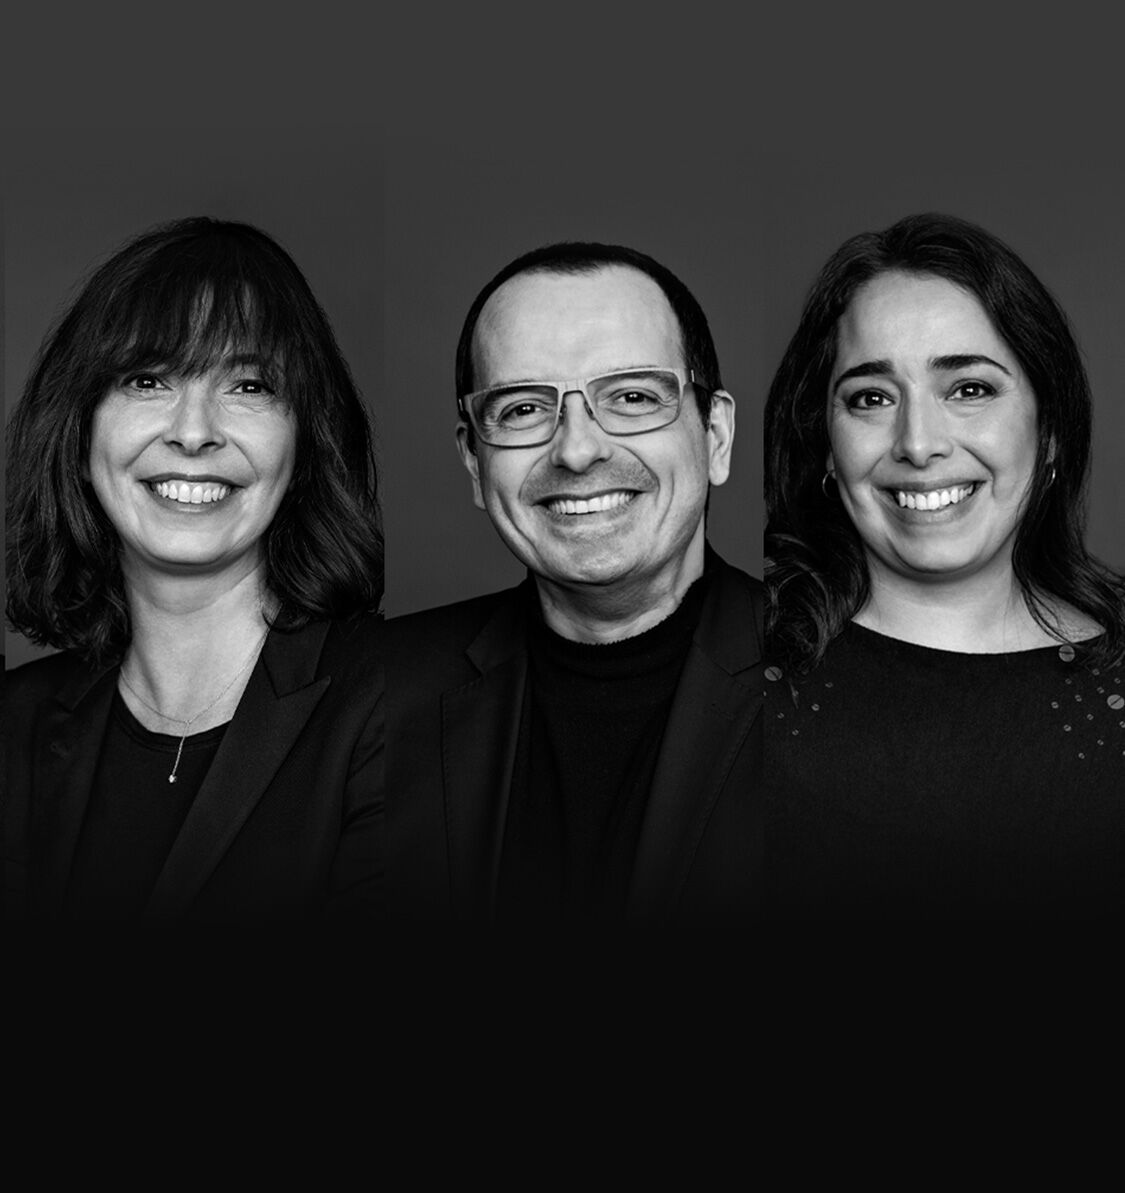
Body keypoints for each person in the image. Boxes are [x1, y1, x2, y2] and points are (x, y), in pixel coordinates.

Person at [4, 217, 384, 928]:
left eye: (248, 384)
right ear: (80, 427)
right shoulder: (14, 730)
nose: (192, 429)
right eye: (148, 379)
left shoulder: (399, 706)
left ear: (305, 437)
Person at [383, 241, 763, 928]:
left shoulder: (836, 679)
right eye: (523, 409)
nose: (578, 449)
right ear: (473, 459)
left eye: (633, 397)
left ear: (715, 435)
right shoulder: (374, 696)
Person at [764, 212, 1125, 923]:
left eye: (968, 389)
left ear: (1048, 429)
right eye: (870, 397)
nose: (918, 443)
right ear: (826, 447)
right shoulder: (739, 686)